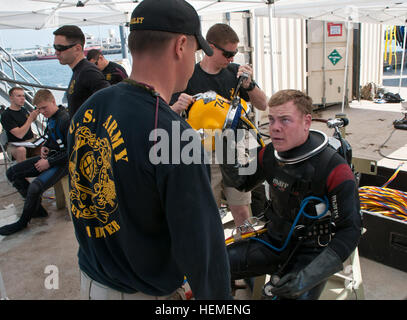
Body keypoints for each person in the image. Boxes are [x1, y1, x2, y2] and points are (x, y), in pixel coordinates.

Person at [67, 0, 231, 300]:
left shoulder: (88, 109)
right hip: (144, 292)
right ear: (181, 46)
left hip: (91, 280)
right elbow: (202, 251)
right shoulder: (174, 137)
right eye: (195, 52)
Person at [220, 89, 362, 299]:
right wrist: (226, 146)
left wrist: (307, 277)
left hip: (312, 251)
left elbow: (350, 231)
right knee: (213, 263)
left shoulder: (333, 168)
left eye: (285, 120)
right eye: (271, 119)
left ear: (307, 122)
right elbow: (242, 183)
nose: (275, 127)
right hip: (274, 239)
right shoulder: (269, 153)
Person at [171, 23, 268, 229]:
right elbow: (165, 114)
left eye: (235, 53)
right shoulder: (188, 76)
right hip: (204, 153)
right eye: (228, 54)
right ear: (210, 47)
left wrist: (249, 85)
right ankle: (213, 256)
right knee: (207, 214)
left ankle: (246, 255)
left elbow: (263, 104)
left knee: (242, 211)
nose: (232, 59)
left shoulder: (235, 73)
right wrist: (177, 106)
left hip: (236, 149)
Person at [0, 89, 70, 236]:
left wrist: (49, 162)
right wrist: (46, 147)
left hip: (63, 163)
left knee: (35, 187)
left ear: (53, 102)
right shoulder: (51, 118)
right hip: (51, 157)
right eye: (40, 109)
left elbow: (72, 150)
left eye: (44, 108)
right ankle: (37, 210)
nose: (42, 112)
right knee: (12, 173)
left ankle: (23, 222)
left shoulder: (65, 119)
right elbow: (51, 137)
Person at [53, 25, 110, 118]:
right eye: (54, 47)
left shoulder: (88, 72)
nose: (56, 52)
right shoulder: (79, 71)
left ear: (77, 48)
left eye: (60, 47)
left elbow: (109, 101)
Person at [0, 87, 40, 162]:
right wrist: (30, 119)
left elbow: (28, 121)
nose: (22, 98)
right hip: (15, 145)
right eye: (19, 96)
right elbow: (19, 135)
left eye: (23, 96)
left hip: (30, 141)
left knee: (47, 144)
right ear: (11, 98)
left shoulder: (23, 110)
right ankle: (23, 173)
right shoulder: (6, 115)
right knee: (21, 150)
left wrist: (35, 114)